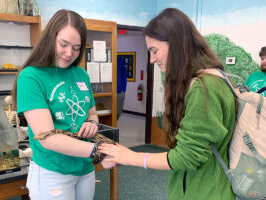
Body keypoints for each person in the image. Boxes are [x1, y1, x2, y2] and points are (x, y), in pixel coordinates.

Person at [99, 8, 237, 200]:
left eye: (154, 50)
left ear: (178, 44)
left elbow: (188, 156)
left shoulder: (204, 88)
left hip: (204, 191)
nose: (152, 59)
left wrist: (132, 157)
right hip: (194, 186)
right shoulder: (204, 80)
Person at [12, 9, 101, 200]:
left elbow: (92, 114)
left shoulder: (81, 74)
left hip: (84, 168)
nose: (69, 53)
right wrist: (98, 150)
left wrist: (91, 125)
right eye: (63, 44)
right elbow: (48, 138)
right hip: (53, 171)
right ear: (50, 38)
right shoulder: (31, 76)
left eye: (77, 48)